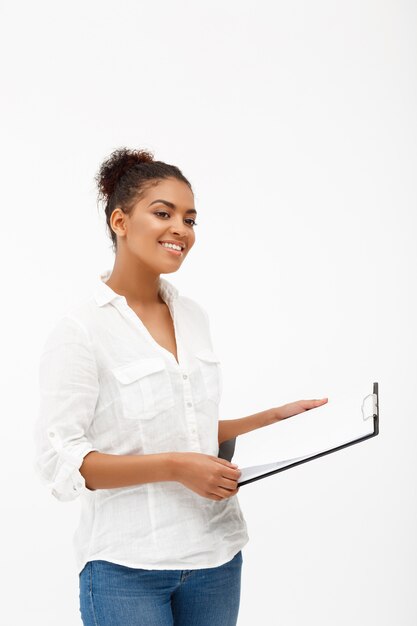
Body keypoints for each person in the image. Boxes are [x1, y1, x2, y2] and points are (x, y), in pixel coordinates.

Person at [33, 147, 328, 626]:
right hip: (127, 568)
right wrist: (174, 468)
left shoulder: (193, 316)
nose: (181, 230)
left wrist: (269, 420)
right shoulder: (81, 329)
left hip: (216, 557)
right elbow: (63, 463)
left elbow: (183, 423)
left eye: (190, 219)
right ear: (120, 222)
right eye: (163, 213)